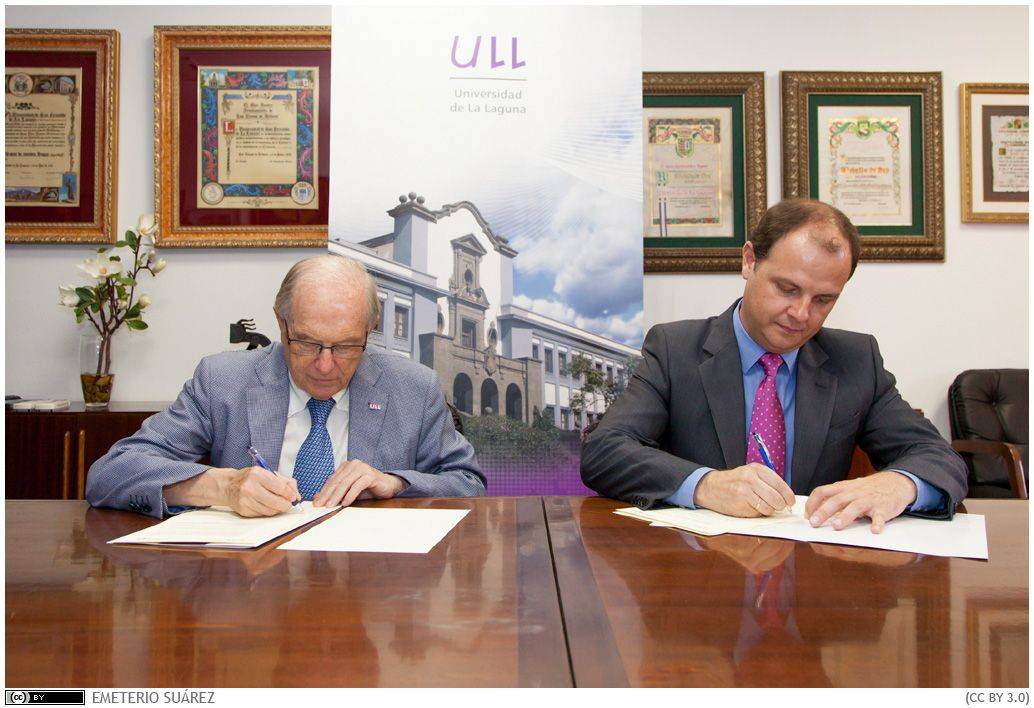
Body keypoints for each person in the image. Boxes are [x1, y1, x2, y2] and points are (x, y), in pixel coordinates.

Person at [581, 199, 967, 532]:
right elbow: (604, 452)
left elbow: (939, 458)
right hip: (700, 567)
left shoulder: (855, 360)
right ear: (749, 261)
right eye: (787, 289)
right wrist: (705, 485)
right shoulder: (675, 349)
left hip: (813, 570)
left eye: (823, 300)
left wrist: (900, 484)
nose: (801, 313)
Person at [87, 254, 486, 518]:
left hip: (368, 589)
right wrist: (222, 486)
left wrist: (396, 483)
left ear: (370, 330)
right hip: (253, 588)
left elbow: (469, 485)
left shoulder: (413, 388)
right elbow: (110, 474)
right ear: (281, 324)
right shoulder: (222, 382)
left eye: (346, 346)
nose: (325, 365)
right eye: (307, 343)